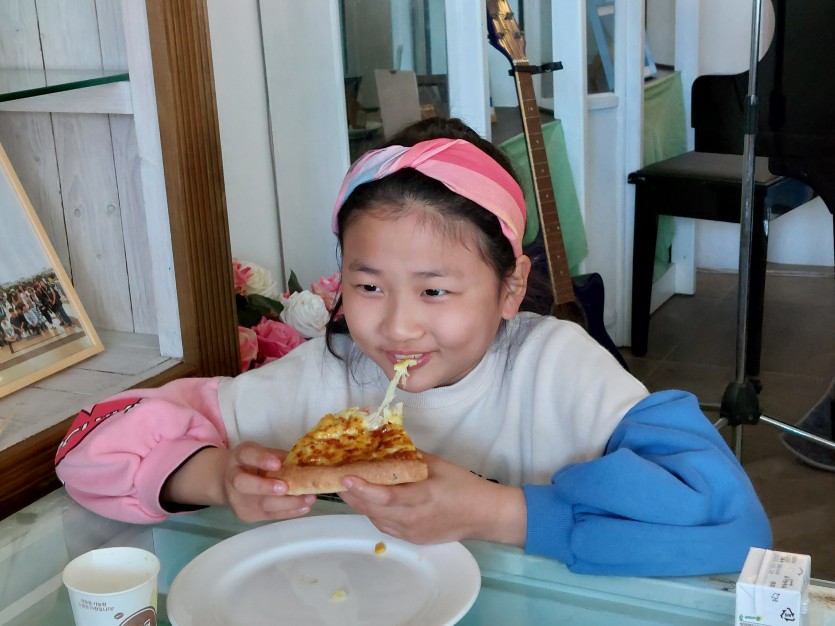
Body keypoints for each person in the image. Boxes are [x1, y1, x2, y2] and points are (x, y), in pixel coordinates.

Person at [54, 117, 771, 577]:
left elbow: (735, 524)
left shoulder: (558, 367)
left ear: (510, 287)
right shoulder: (325, 375)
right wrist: (214, 478)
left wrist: (500, 514)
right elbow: (88, 444)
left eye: (435, 290)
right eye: (368, 287)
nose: (396, 328)